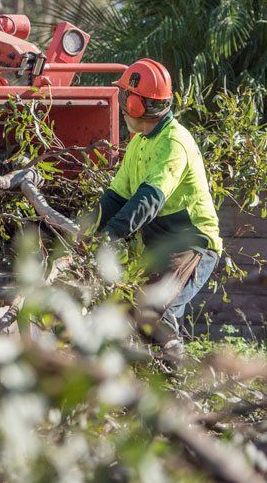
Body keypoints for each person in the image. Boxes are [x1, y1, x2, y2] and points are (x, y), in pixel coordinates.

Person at [93, 58, 222, 357]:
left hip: (192, 244)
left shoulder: (173, 142)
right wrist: (87, 228)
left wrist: (111, 235)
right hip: (161, 245)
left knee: (151, 311)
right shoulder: (140, 142)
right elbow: (116, 196)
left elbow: (150, 198)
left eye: (126, 97)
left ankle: (177, 378)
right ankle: (155, 375)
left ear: (134, 103)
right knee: (127, 308)